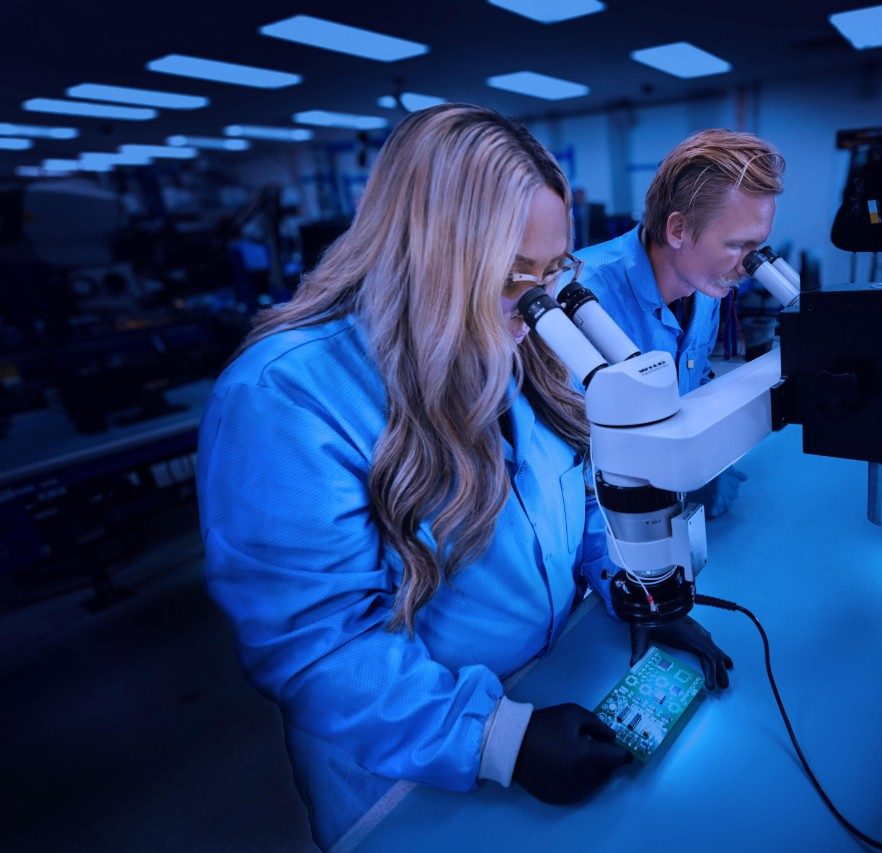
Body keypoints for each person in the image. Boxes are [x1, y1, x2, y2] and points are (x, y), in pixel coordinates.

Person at [196, 104, 732, 849]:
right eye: (519, 277)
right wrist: (496, 737)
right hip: (405, 769)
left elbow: (578, 488)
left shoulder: (517, 342)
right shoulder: (287, 397)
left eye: (553, 273)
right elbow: (316, 646)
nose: (540, 306)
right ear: (431, 252)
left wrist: (627, 585)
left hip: (544, 686)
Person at [574, 130, 784, 518]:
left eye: (757, 247)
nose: (748, 266)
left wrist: (704, 466)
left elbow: (695, 376)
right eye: (738, 246)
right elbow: (570, 453)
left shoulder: (706, 286)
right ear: (678, 229)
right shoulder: (583, 299)